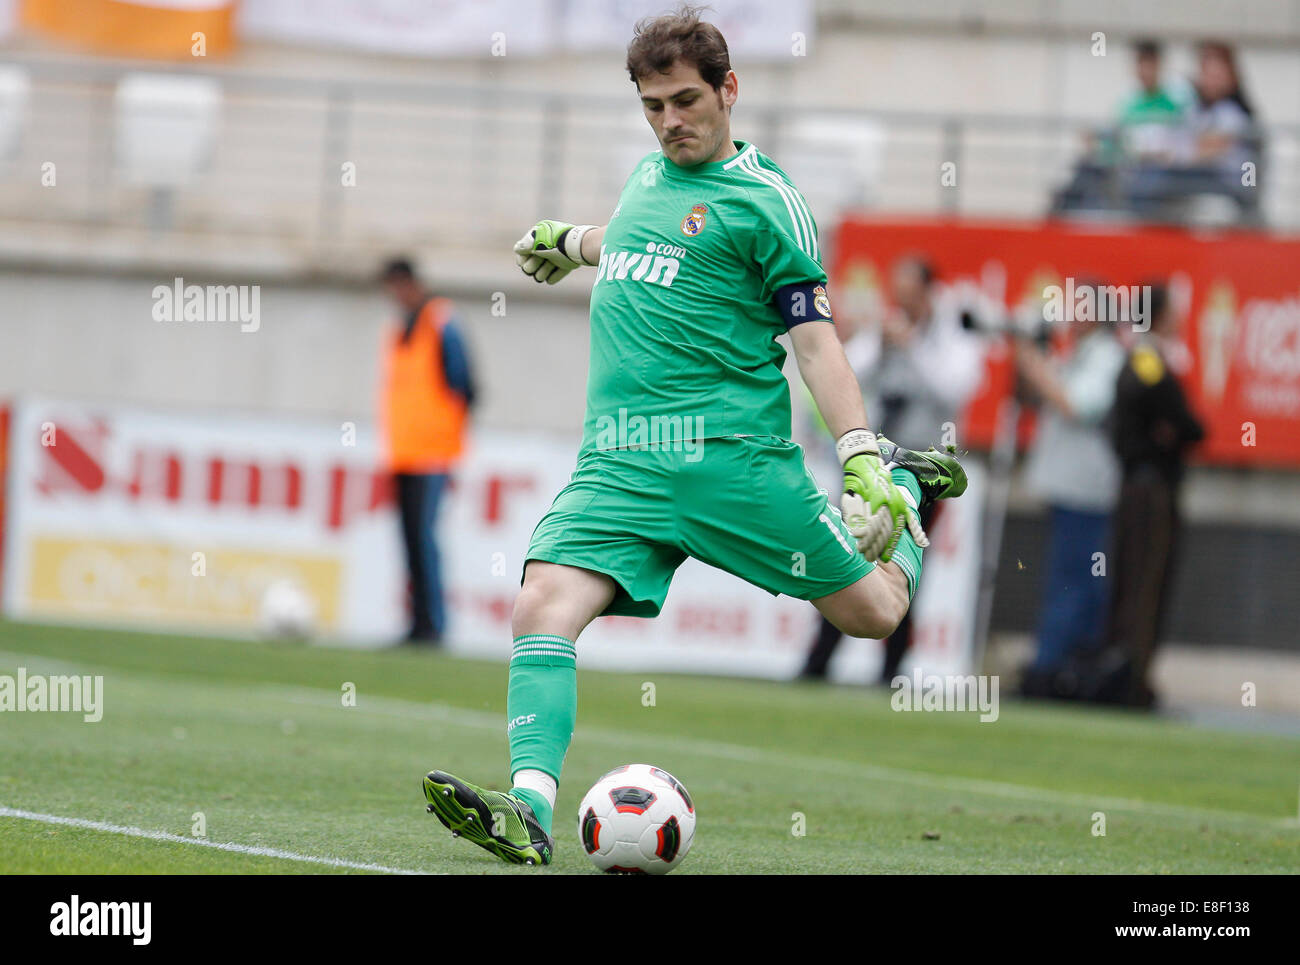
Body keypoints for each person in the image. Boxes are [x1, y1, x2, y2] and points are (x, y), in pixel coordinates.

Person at [419, 5, 967, 867]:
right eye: (652, 106)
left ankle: (911, 487)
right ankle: (526, 810)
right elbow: (649, 245)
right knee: (540, 606)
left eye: (684, 101)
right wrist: (575, 241)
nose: (670, 122)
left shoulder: (768, 203)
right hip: (620, 465)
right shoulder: (645, 178)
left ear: (729, 91)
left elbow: (816, 341)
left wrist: (860, 450)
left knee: (875, 613)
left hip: (730, 465)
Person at [800, 255, 982, 684]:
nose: (901, 302)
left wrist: (911, 347)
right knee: (849, 555)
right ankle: (819, 661)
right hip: (876, 463)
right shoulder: (888, 330)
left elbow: (953, 386)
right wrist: (883, 344)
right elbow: (848, 371)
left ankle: (892, 668)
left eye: (910, 293)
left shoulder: (953, 336)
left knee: (904, 563)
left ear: (928, 293)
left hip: (923, 472)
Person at [1092, 284, 1204, 708]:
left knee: (1133, 580)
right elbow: (1189, 424)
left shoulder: (1140, 360)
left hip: (1135, 485)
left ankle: (1126, 672)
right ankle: (1131, 678)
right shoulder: (1149, 362)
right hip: (1149, 490)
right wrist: (1170, 435)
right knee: (1144, 582)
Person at [1014, 310, 1127, 698]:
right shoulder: (1077, 353)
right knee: (1074, 581)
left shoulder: (1107, 356)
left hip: (1087, 491)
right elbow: (1036, 399)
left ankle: (1053, 670)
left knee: (1075, 583)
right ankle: (1066, 669)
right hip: (1069, 487)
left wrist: (1034, 363)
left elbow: (1079, 406)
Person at [378, 257, 477, 645]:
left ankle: (433, 625)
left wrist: (447, 434)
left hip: (433, 452)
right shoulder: (398, 328)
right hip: (403, 451)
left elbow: (466, 384)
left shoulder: (440, 321)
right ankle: (417, 623)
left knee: (425, 536)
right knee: (410, 539)